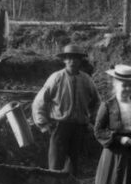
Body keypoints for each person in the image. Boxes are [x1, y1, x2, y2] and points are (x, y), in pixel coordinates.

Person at [31, 44, 100, 175]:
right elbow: (39, 101)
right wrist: (43, 123)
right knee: (56, 163)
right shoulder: (56, 78)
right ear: (64, 60)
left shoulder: (86, 80)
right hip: (60, 126)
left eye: (76, 58)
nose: (72, 61)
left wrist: (93, 120)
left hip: (79, 127)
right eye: (69, 58)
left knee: (74, 163)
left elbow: (97, 102)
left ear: (80, 61)